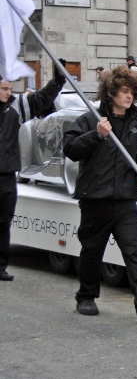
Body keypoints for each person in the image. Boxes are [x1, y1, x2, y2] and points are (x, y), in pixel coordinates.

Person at [62, 66, 137, 322]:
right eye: (124, 91)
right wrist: (96, 135)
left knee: (133, 251)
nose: (129, 96)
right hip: (95, 199)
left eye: (132, 92)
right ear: (110, 92)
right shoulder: (90, 119)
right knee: (91, 251)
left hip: (125, 200)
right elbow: (70, 149)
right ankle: (86, 297)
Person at [0, 69, 66, 281]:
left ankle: (0, 267)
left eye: (10, 89)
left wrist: (57, 82)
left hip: (7, 174)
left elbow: (40, 100)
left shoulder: (16, 105)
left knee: (4, 222)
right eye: (3, 89)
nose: (8, 93)